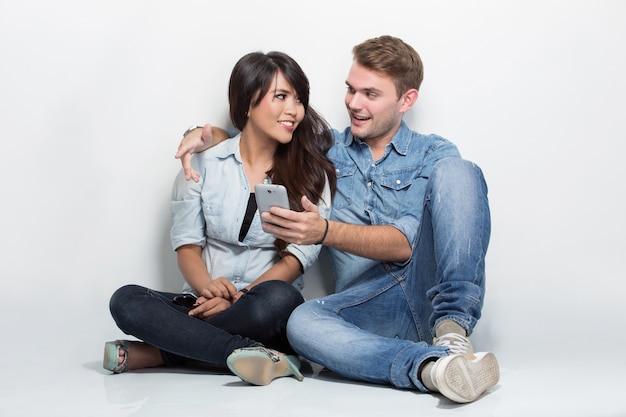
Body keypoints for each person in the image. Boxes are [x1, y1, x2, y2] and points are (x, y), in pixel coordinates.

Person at [176, 35, 499, 403]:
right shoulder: (323, 147)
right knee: (301, 323)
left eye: (370, 94)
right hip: (365, 308)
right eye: (351, 90)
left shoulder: (434, 153)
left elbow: (405, 244)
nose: (354, 104)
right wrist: (205, 135)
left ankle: (453, 333)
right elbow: (256, 135)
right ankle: (434, 369)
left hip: (427, 295)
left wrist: (324, 231)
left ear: (406, 100)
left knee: (460, 171)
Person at [104, 51, 336, 386]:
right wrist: (210, 290)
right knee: (125, 300)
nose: (294, 111)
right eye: (281, 97)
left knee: (280, 299)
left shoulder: (313, 173)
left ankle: (165, 352)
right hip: (202, 301)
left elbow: (295, 261)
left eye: (299, 100)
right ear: (247, 103)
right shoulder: (200, 164)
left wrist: (239, 298)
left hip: (261, 308)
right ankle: (252, 355)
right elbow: (187, 246)